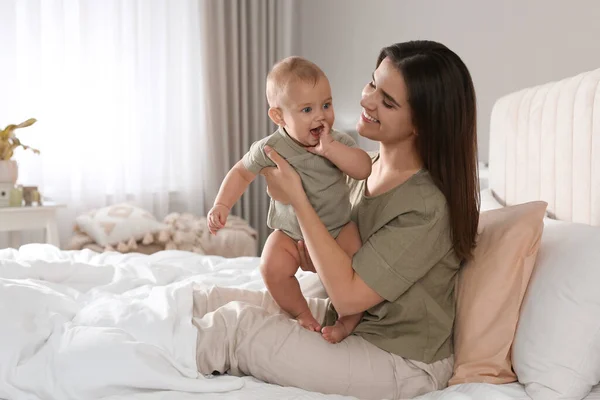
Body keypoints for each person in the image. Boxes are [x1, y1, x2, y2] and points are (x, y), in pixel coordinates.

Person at [193, 40, 479, 400]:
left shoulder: (426, 206)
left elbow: (347, 298)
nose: (366, 101)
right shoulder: (363, 165)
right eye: (372, 83)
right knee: (208, 300)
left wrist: (296, 197)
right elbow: (335, 258)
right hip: (352, 324)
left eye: (387, 101)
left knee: (233, 329)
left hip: (401, 359)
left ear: (422, 123)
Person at [206, 56, 370, 341]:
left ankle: (347, 321)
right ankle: (302, 313)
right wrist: (222, 204)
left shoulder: (337, 142)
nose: (321, 116)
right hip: (291, 234)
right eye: (307, 109)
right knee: (271, 267)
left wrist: (331, 151)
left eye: (326, 105)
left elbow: (363, 168)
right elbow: (241, 173)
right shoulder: (270, 148)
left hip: (337, 228)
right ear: (279, 117)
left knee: (359, 264)